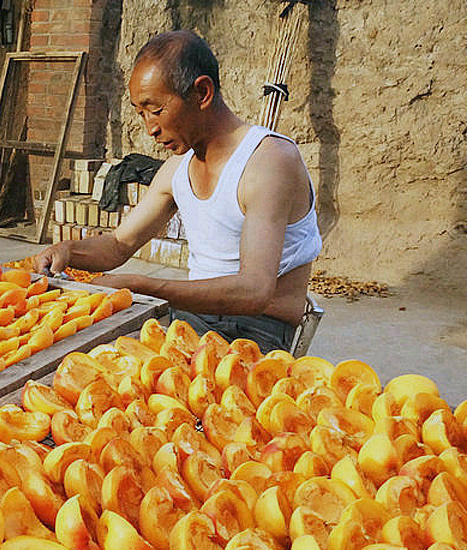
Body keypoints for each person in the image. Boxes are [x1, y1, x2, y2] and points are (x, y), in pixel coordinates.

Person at [35, 30, 322, 353]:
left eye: (155, 110)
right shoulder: (177, 168)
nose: (150, 129)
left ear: (202, 92)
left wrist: (141, 285)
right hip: (189, 319)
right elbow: (118, 244)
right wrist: (68, 250)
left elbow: (254, 291)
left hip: (257, 332)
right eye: (140, 113)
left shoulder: (267, 162)